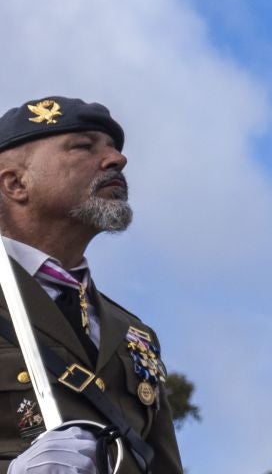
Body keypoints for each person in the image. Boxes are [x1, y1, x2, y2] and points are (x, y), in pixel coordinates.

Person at [0, 97, 183, 474]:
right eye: (83, 146)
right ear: (16, 183)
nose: (117, 159)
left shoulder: (134, 334)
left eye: (113, 147)